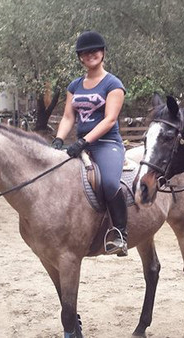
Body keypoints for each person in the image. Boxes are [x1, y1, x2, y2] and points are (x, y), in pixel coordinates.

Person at [52, 30, 129, 256]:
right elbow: (68, 117)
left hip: (106, 144)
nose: (90, 55)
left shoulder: (113, 84)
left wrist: (84, 141)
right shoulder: (74, 86)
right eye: (84, 53)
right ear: (80, 58)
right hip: (80, 144)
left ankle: (120, 234)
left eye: (94, 51)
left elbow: (110, 119)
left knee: (108, 184)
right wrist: (58, 139)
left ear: (103, 53)